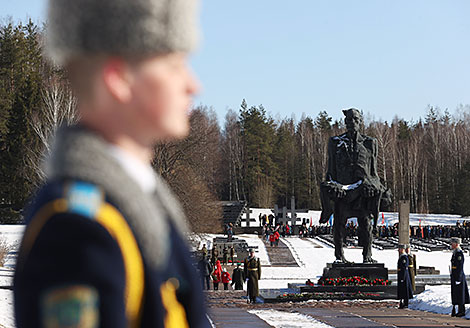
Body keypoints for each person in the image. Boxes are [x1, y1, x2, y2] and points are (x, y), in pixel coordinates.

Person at [13, 0, 209, 326]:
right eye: (174, 65)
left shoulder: (140, 206)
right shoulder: (77, 230)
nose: (193, 85)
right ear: (118, 78)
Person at [319, 108, 390, 263]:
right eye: (349, 120)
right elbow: (331, 170)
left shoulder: (370, 143)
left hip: (361, 192)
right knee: (339, 224)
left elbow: (374, 173)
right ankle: (339, 256)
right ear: (345, 122)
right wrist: (331, 185)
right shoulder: (335, 142)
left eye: (355, 120)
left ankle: (368, 255)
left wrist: (375, 186)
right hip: (343, 191)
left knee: (366, 224)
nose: (352, 123)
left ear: (360, 122)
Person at [450, 237, 470, 317]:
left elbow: (460, 266)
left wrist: (458, 278)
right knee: (456, 293)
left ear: (456, 244)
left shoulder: (459, 253)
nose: (451, 245)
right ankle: (458, 310)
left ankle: (461, 310)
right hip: (455, 276)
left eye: (453, 243)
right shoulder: (455, 253)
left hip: (459, 276)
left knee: (460, 294)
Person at [397, 244, 413, 309]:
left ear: (402, 249)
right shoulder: (402, 257)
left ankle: (405, 303)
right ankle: (402, 302)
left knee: (405, 290)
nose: (398, 250)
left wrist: (402, 277)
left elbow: (404, 268)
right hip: (402, 275)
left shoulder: (404, 257)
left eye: (399, 249)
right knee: (402, 290)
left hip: (404, 276)